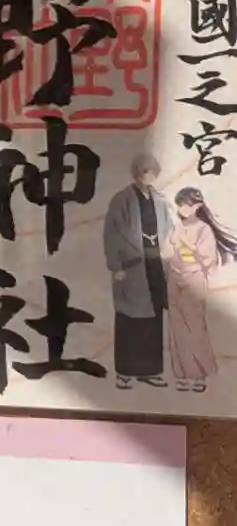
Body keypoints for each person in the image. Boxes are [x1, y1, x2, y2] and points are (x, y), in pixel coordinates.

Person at [103, 154, 175, 388]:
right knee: (129, 318)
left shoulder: (160, 201)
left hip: (155, 266)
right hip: (132, 267)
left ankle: (150, 371)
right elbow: (111, 234)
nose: (148, 176)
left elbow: (170, 231)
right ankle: (125, 372)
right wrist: (116, 266)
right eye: (144, 171)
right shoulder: (122, 200)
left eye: (152, 172)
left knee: (154, 317)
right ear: (136, 173)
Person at [164, 187, 237, 391]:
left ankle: (199, 375)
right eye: (180, 206)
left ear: (196, 206)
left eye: (185, 205)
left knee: (194, 327)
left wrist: (188, 249)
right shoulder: (178, 227)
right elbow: (166, 251)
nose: (182, 209)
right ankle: (182, 373)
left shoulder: (204, 230)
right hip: (174, 278)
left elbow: (208, 259)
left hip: (193, 279)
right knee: (177, 327)